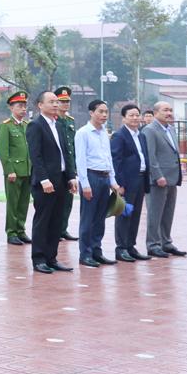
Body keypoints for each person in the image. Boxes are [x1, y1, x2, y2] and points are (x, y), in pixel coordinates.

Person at [26, 91, 78, 274]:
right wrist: (44, 179)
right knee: (43, 221)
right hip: (45, 183)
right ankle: (39, 259)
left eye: (57, 102)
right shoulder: (35, 125)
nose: (56, 104)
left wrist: (71, 176)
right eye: (51, 102)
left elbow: (66, 153)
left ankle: (51, 257)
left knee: (57, 221)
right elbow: (36, 156)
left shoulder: (60, 125)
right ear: (40, 105)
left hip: (61, 180)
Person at [74, 99, 123, 267]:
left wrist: (113, 181)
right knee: (88, 218)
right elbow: (80, 160)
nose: (104, 115)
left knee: (100, 218)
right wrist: (85, 184)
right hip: (91, 177)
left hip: (104, 177)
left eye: (106, 112)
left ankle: (97, 251)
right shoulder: (83, 133)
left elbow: (108, 158)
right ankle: (85, 254)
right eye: (100, 111)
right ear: (91, 113)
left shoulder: (104, 133)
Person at [141, 101, 187, 258]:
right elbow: (150, 155)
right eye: (165, 110)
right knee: (155, 213)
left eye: (170, 110)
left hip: (172, 178)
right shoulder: (150, 130)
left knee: (168, 212)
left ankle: (166, 242)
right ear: (155, 113)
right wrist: (157, 175)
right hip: (158, 179)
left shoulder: (171, 129)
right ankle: (153, 244)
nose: (169, 113)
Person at [111, 103, 151, 263]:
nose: (135, 118)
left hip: (140, 179)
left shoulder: (141, 135)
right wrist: (119, 183)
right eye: (131, 115)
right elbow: (116, 161)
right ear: (124, 118)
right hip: (126, 182)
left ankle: (130, 246)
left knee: (135, 214)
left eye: (137, 115)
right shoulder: (119, 136)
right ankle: (121, 248)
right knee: (124, 214)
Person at [0, 91, 32, 246]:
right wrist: (9, 170)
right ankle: (11, 232)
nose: (23, 109)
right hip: (14, 172)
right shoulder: (6, 126)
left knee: (24, 203)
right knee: (13, 204)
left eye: (25, 106)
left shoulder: (26, 125)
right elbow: (4, 151)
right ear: (11, 108)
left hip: (27, 170)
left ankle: (20, 229)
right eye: (19, 106)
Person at [54, 87, 79, 241]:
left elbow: (73, 146)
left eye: (67, 101)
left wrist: (74, 168)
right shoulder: (53, 121)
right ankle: (55, 230)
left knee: (68, 200)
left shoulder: (70, 121)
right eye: (62, 101)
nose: (65, 104)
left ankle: (63, 229)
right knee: (56, 201)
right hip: (57, 166)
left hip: (69, 166)